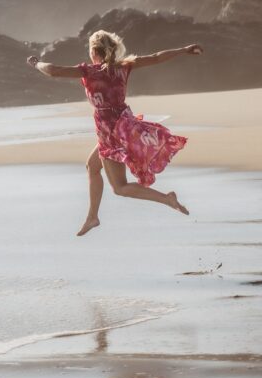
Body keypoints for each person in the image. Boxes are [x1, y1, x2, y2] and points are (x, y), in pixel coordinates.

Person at [26, 30, 202, 236]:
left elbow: (53, 71)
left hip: (110, 133)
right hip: (123, 125)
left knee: (119, 187)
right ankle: (92, 217)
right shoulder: (123, 66)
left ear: (94, 51)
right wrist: (183, 50)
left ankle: (166, 199)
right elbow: (156, 57)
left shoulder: (90, 71)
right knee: (92, 166)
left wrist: (36, 63)